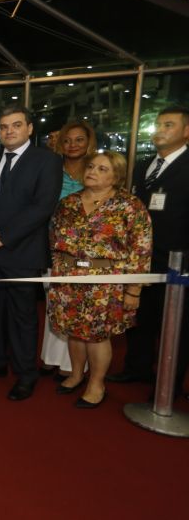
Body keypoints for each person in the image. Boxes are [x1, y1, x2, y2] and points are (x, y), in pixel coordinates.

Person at [0, 105, 62, 401]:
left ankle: (25, 374)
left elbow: (42, 207)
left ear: (30, 128)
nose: (9, 131)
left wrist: (3, 239)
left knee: (22, 317)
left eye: (16, 125)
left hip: (21, 253)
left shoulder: (47, 161)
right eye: (4, 126)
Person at [48, 151, 152, 407]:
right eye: (91, 166)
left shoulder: (129, 205)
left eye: (102, 169)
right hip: (68, 278)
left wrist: (134, 290)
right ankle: (76, 374)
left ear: (116, 176)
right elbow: (53, 239)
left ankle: (96, 384)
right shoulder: (68, 203)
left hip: (105, 282)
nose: (92, 171)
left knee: (97, 335)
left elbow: (140, 249)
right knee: (73, 331)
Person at [109, 105, 189, 396]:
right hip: (141, 259)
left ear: (186, 131)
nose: (160, 130)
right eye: (158, 124)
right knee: (140, 316)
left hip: (177, 262)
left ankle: (168, 383)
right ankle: (137, 368)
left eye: (168, 125)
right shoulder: (144, 166)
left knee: (175, 324)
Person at [40, 120, 97, 381]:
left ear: (89, 143)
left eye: (79, 140)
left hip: (87, 248)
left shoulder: (96, 169)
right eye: (67, 140)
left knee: (78, 305)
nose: (72, 145)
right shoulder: (51, 168)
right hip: (52, 244)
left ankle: (73, 365)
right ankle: (51, 357)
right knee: (54, 300)